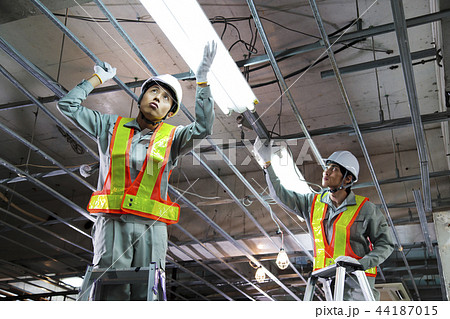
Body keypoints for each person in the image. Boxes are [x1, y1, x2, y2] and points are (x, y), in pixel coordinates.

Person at [58, 41, 217, 300]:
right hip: (112, 224)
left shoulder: (174, 138)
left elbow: (203, 129)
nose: (157, 98)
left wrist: (202, 82)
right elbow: (67, 106)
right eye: (153, 91)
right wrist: (97, 78)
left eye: (166, 98)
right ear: (141, 97)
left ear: (170, 111)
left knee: (147, 293)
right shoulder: (108, 126)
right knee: (110, 292)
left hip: (151, 228)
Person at [253, 140, 394, 300]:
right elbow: (280, 195)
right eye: (327, 167)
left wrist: (363, 264)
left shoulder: (366, 209)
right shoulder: (311, 203)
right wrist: (267, 164)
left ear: (348, 179)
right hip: (328, 283)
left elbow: (386, 244)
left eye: (334, 169)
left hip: (358, 286)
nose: (326, 172)